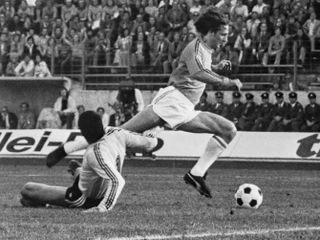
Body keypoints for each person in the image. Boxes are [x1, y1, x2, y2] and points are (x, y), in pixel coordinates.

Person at [52, 7, 242, 199]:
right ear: (209, 33)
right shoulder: (195, 47)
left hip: (181, 103)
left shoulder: (204, 49)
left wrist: (216, 68)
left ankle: (75, 160)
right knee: (227, 129)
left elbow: (198, 69)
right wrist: (226, 81)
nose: (226, 39)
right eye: (223, 35)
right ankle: (196, 174)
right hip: (174, 102)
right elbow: (198, 73)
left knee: (119, 135)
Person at [20, 111, 164, 212]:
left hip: (84, 197)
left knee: (27, 189)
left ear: (83, 131)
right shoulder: (115, 131)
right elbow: (149, 142)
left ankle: (75, 176)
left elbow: (118, 181)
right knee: (85, 171)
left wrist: (102, 208)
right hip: (97, 181)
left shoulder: (95, 153)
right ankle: (77, 171)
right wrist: (154, 131)